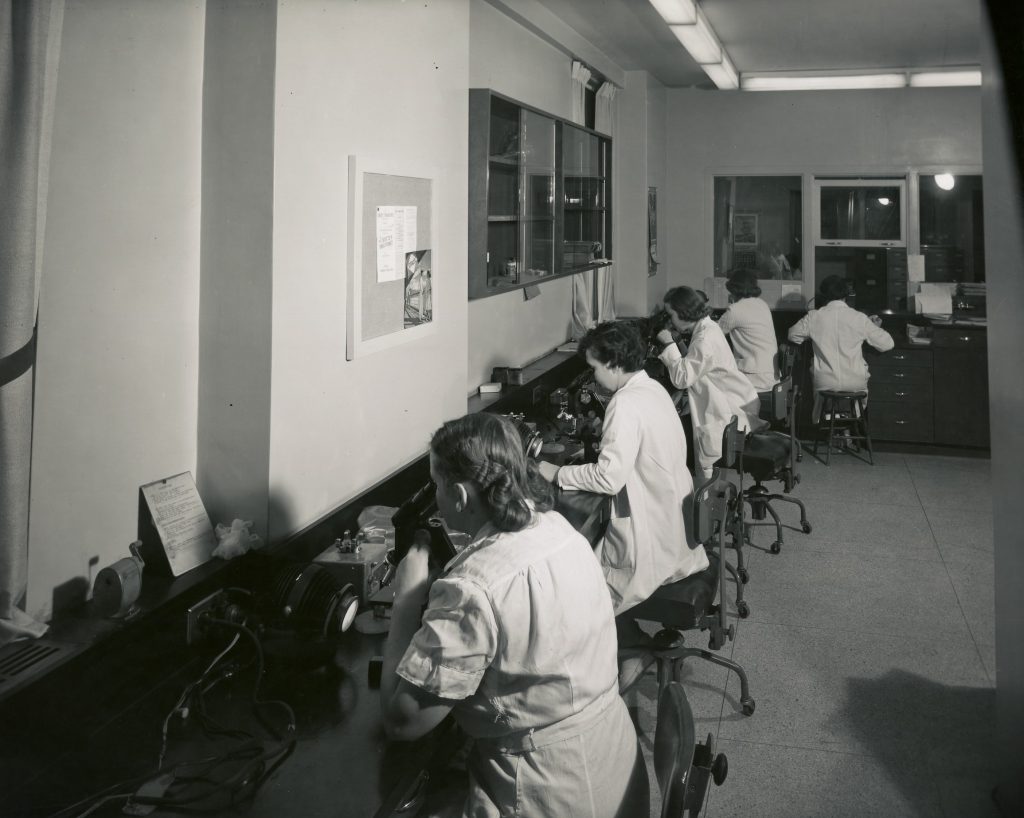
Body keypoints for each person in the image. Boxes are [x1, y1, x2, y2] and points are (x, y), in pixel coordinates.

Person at [381, 413, 648, 818]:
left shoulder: (473, 587)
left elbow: (402, 724)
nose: (436, 496)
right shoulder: (559, 529)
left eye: (436, 486)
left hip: (549, 791)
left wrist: (406, 599)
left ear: (459, 494)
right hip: (614, 764)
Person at [539, 321, 709, 620]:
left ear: (614, 364)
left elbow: (608, 477)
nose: (593, 376)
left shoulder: (625, 402)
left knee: (574, 593)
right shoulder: (652, 388)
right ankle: (629, 646)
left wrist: (554, 473)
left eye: (595, 368)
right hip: (673, 529)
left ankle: (626, 652)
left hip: (650, 542)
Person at [657, 286, 764, 483]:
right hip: (735, 403)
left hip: (726, 413)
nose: (670, 320)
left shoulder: (704, 339)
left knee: (706, 468)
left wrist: (668, 343)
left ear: (683, 313)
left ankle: (710, 506)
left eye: (671, 314)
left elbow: (682, 379)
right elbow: (696, 362)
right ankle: (715, 503)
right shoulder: (708, 328)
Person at [787, 274, 894, 421]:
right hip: (854, 383)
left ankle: (832, 421)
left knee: (818, 379)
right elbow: (888, 344)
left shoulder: (814, 316)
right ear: (847, 294)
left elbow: (792, 335)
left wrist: (812, 333)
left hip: (825, 383)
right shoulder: (859, 318)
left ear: (823, 295)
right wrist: (874, 328)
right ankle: (846, 425)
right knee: (854, 399)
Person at [717, 268, 780, 393]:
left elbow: (713, 333)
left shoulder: (735, 310)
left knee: (713, 384)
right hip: (772, 375)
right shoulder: (762, 304)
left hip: (755, 379)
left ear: (733, 288)